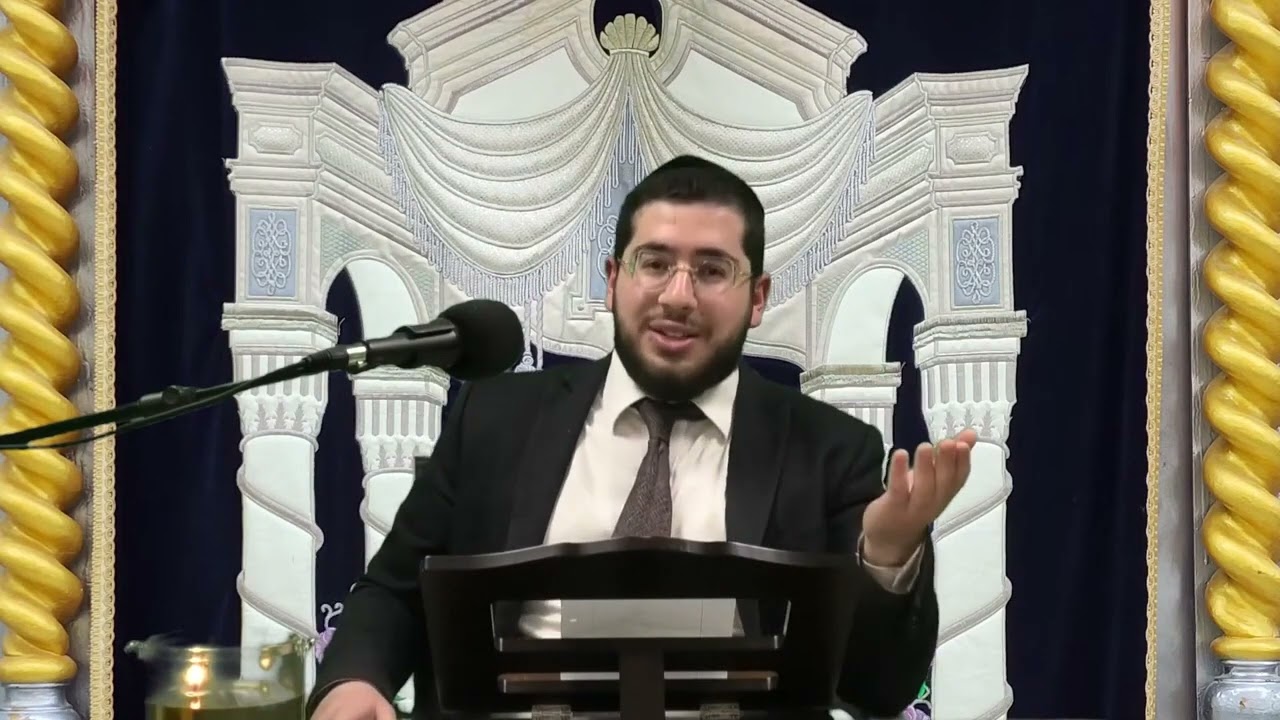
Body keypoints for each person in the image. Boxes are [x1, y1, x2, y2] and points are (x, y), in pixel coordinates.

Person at [309, 156, 976, 720]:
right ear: (613, 280)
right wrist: (353, 681)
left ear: (758, 297)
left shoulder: (831, 451)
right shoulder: (496, 419)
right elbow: (395, 592)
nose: (678, 295)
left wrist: (886, 556)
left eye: (712, 270)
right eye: (654, 263)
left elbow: (876, 689)